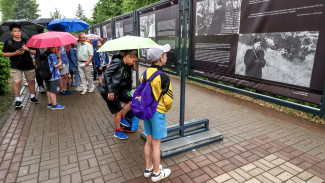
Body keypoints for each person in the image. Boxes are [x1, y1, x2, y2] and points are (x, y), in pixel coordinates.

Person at [142, 44, 173, 182]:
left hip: (147, 111)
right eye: (165, 55)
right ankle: (156, 173)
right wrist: (164, 108)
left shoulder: (144, 73)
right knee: (156, 143)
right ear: (161, 58)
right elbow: (168, 100)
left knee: (149, 140)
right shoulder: (163, 76)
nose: (166, 57)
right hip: (158, 112)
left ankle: (148, 169)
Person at [99, 50, 139, 140]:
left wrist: (133, 63)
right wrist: (110, 91)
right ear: (128, 57)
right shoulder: (117, 62)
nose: (133, 63)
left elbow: (134, 69)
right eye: (133, 61)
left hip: (119, 90)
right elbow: (107, 74)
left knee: (133, 101)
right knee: (117, 110)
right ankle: (117, 131)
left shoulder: (126, 63)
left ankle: (123, 117)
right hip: (109, 91)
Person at [2, 24, 38, 109]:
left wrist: (27, 49)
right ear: (11, 32)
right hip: (15, 66)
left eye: (19, 31)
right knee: (17, 82)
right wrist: (15, 53)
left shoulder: (27, 41)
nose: (17, 33)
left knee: (31, 81)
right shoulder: (8, 42)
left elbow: (35, 52)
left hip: (28, 64)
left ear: (21, 31)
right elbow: (4, 54)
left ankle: (32, 97)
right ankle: (18, 100)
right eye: (15, 31)